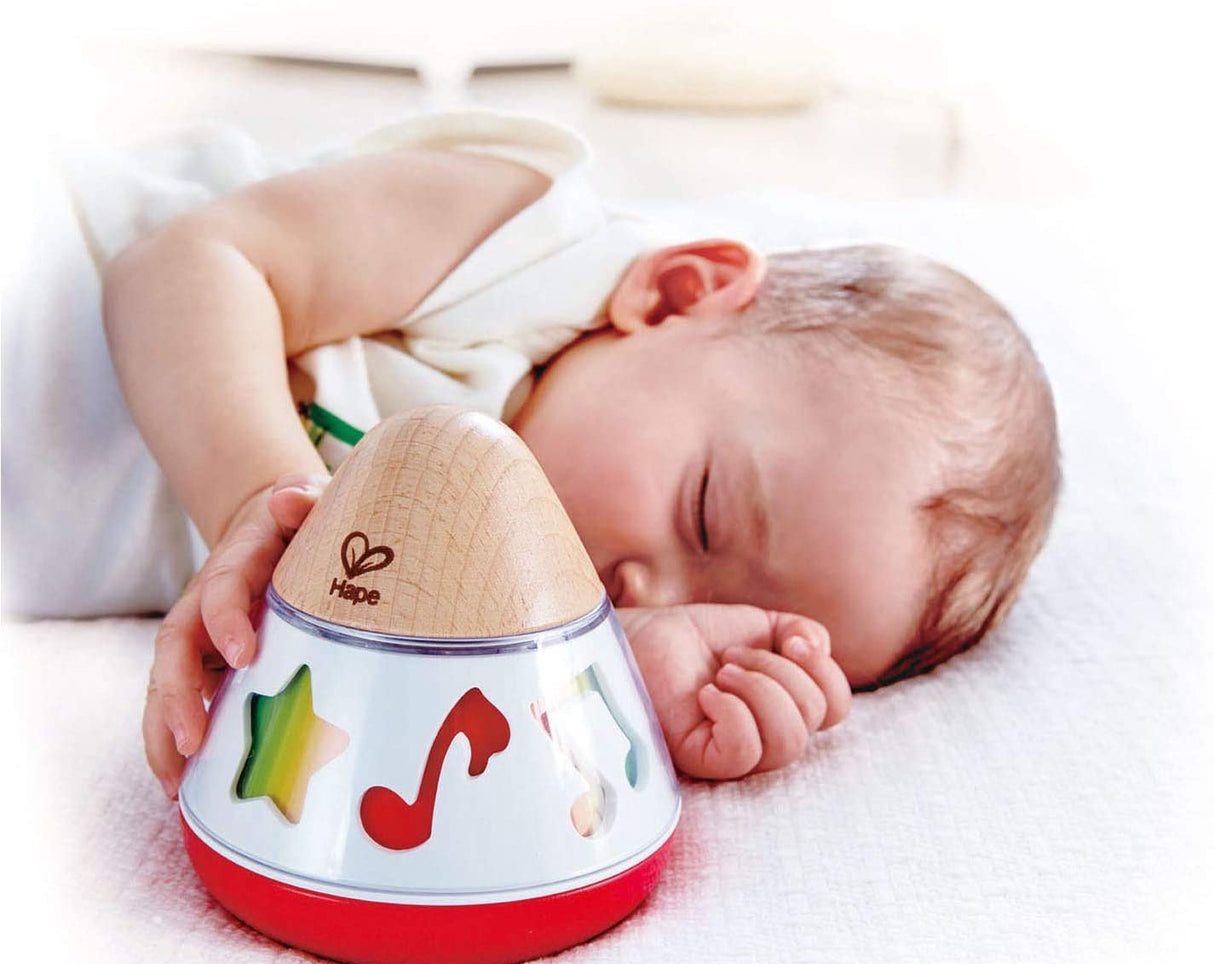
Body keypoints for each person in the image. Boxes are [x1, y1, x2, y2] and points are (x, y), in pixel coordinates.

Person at [0, 110, 1059, 799]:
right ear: (677, 293)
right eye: (700, 513)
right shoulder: (520, 244)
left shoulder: (494, 610)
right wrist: (261, 508)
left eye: (721, 605)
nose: (644, 582)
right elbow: (188, 264)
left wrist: (630, 673)